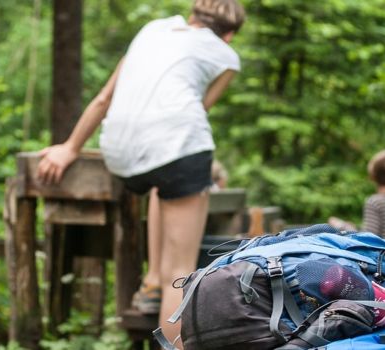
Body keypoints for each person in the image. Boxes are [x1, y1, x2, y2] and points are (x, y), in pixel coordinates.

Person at [35, 0, 244, 342]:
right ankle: (172, 330)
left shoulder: (152, 30)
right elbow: (199, 108)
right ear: (230, 35)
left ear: (192, 15)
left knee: (165, 188)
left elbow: (104, 98)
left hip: (120, 154)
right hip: (176, 149)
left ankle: (150, 284)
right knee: (182, 272)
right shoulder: (226, 56)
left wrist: (70, 147)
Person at [328, 150, 385, 242]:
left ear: (373, 175)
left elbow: (368, 238)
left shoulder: (374, 202)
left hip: (381, 255)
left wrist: (343, 226)